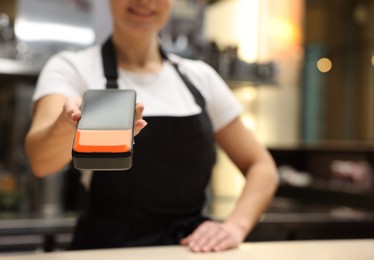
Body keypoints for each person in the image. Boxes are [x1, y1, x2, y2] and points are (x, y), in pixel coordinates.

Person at [24, 0, 279, 253]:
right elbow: (41, 161)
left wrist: (235, 226)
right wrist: (68, 124)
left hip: (189, 250)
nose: (145, 2)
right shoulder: (72, 68)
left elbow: (262, 167)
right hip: (108, 250)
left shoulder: (199, 77)